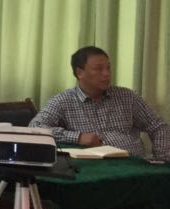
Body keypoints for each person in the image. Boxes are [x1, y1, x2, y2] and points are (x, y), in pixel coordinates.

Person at [30, 46, 170, 158]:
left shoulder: (127, 96)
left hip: (134, 164)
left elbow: (158, 126)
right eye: (99, 69)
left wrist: (162, 158)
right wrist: (78, 137)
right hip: (92, 169)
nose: (106, 74)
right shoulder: (63, 101)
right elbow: (35, 128)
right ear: (79, 73)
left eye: (108, 68)